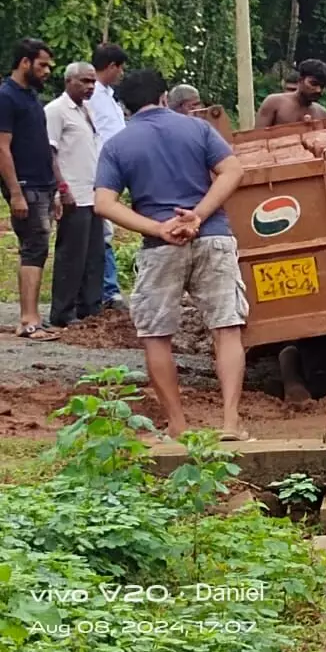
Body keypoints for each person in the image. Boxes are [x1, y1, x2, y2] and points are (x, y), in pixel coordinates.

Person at [96, 69, 248, 439]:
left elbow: (104, 203)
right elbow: (232, 171)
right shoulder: (197, 129)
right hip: (212, 237)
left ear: (125, 107)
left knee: (156, 335)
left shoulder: (117, 145)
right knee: (227, 328)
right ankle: (231, 422)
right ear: (164, 97)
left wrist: (158, 228)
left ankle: (178, 425)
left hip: (160, 248)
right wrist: (198, 214)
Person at [0, 39, 65, 341]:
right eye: (42, 65)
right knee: (33, 247)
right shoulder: (6, 97)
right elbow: (2, 148)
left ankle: (33, 316)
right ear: (24, 62)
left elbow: (40, 145)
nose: (48, 71)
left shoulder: (31, 97)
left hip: (42, 185)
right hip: (26, 186)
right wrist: (15, 192)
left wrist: (55, 188)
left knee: (38, 248)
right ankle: (28, 320)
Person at [45, 62, 106, 329]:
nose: (90, 87)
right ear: (69, 81)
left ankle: (90, 309)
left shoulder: (86, 110)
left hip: (92, 194)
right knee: (72, 255)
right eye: (85, 81)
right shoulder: (56, 110)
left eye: (93, 82)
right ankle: (63, 311)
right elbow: (50, 153)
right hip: (73, 194)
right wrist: (62, 189)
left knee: (94, 255)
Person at [87, 43, 128, 312]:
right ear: (112, 67)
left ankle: (105, 289)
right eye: (120, 68)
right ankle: (107, 290)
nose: (122, 74)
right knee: (102, 232)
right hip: (97, 171)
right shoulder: (92, 98)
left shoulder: (110, 97)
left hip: (113, 170)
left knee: (104, 230)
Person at [257, 59, 326, 128]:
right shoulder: (274, 103)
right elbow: (257, 136)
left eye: (322, 86)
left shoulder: (322, 114)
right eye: (313, 83)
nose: (318, 90)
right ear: (300, 80)